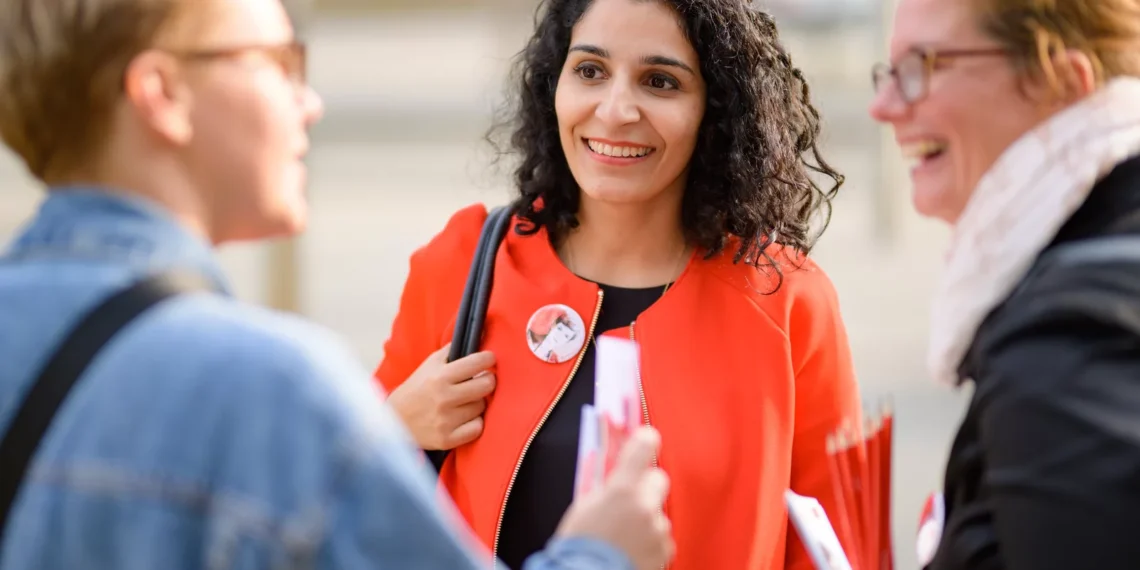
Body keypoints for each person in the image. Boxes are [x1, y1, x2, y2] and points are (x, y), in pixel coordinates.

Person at [0, 0, 674, 569]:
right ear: (162, 94)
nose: (312, 102)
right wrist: (599, 551)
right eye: (279, 62)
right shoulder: (267, 389)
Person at [375, 0, 863, 568]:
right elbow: (336, 509)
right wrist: (394, 429)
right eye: (590, 71)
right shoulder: (458, 265)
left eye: (660, 81)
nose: (615, 109)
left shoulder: (788, 302)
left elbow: (837, 546)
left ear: (718, 108)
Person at [870, 0, 1140, 568]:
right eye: (889, 73)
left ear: (1059, 82)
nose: (883, 106)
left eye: (921, 66)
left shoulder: (1067, 338)